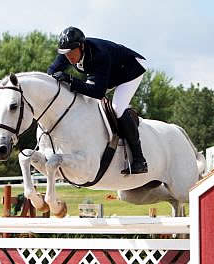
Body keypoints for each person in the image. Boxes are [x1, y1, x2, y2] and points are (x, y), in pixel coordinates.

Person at [47, 27, 148, 175]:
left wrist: (70, 80)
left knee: (116, 108)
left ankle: (140, 160)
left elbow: (97, 92)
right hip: (110, 72)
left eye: (71, 52)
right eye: (65, 53)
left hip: (131, 69)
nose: (68, 56)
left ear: (81, 46)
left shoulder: (99, 54)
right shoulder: (67, 52)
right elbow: (51, 72)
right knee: (82, 101)